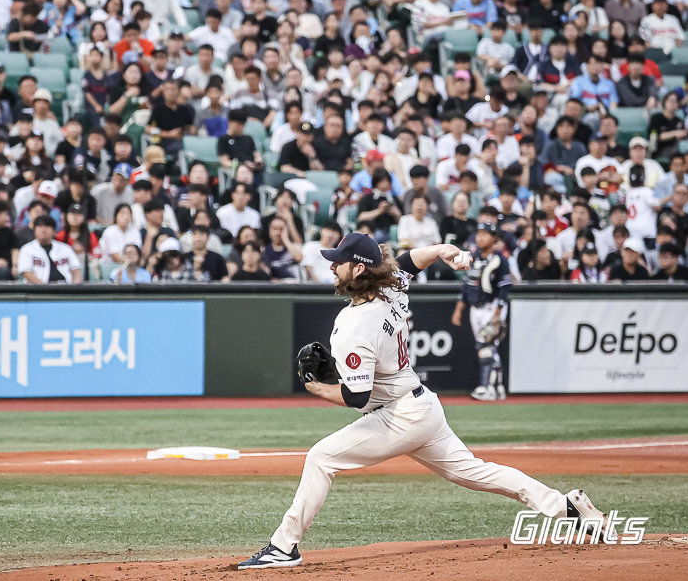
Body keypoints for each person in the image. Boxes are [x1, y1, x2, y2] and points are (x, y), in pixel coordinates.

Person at [238, 233, 616, 569]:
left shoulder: (354, 326)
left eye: (339, 261)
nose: (332, 266)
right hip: (422, 407)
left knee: (321, 457)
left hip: (400, 416)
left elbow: (356, 397)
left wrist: (316, 387)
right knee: (474, 471)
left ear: (357, 270)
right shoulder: (389, 289)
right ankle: (565, 507)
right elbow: (405, 264)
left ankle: (284, 547)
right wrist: (442, 249)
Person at [451, 222, 511, 402]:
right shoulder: (474, 257)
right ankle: (497, 386)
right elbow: (466, 285)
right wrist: (459, 309)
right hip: (475, 307)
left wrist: (497, 313)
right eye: (479, 234)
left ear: (494, 239)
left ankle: (486, 387)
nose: (480, 237)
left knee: (485, 347)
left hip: (491, 306)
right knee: (487, 348)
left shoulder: (499, 259)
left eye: (485, 234)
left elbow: (505, 288)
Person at [17, 214, 82, 284]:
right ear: (34, 231)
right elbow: (27, 274)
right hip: (37, 291)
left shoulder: (66, 248)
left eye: (47, 226)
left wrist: (73, 288)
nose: (43, 230)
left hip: (65, 289)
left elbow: (76, 271)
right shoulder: (27, 249)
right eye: (40, 226)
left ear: (54, 231)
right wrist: (44, 289)